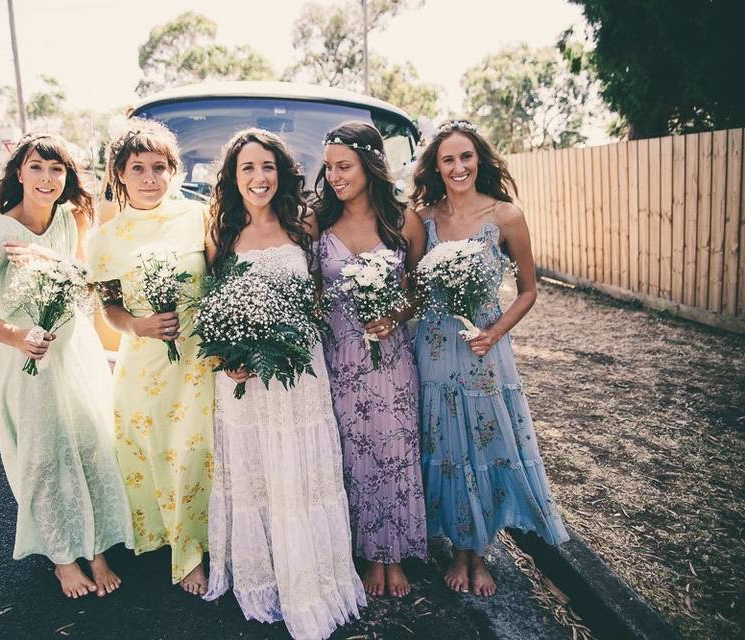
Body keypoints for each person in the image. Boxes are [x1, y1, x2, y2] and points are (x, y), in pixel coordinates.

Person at [0, 134, 133, 599]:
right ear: (19, 174)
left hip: (75, 351)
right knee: (45, 456)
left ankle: (95, 546)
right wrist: (13, 335)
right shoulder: (0, 232)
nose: (47, 179)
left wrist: (51, 259)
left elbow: (86, 282)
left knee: (91, 444)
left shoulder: (71, 219)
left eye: (57, 170)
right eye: (37, 168)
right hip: (28, 356)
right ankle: (62, 558)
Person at [203, 128, 365, 640]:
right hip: (243, 380)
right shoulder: (220, 235)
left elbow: (319, 292)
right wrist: (227, 358)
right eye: (247, 167)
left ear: (282, 173)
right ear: (233, 176)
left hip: (298, 374)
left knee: (299, 473)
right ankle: (263, 579)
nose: (258, 177)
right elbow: (211, 307)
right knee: (256, 473)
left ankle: (311, 581)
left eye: (267, 166)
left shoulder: (305, 225)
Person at [410, 120, 569, 597]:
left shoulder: (506, 215)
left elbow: (528, 290)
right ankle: (455, 545)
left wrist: (492, 332)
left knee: (482, 444)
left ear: (479, 159)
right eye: (448, 160)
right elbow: (415, 291)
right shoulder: (424, 217)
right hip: (435, 348)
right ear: (436, 168)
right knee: (445, 443)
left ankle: (478, 553)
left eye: (466, 157)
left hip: (483, 349)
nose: (458, 167)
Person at [86, 118, 214, 594]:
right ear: (119, 173)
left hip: (200, 358)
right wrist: (137, 325)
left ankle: (197, 546)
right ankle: (172, 547)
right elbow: (108, 304)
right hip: (144, 361)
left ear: (173, 171)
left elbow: (220, 277)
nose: (149, 178)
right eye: (136, 168)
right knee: (158, 452)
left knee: (197, 452)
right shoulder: (106, 237)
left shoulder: (199, 217)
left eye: (159, 167)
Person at [314, 121, 429, 598]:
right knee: (348, 452)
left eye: (344, 166)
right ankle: (361, 551)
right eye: (328, 168)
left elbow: (419, 292)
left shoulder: (405, 221)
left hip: (392, 357)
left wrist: (396, 314)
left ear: (370, 164)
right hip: (336, 354)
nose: (335, 176)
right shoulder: (316, 222)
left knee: (393, 450)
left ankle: (393, 553)